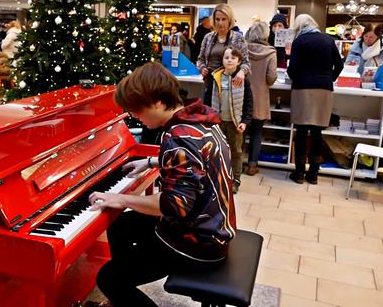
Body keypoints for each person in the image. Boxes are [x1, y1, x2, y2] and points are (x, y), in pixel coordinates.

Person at [88, 61, 235, 307]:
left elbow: (174, 206)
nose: (134, 116)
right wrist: (153, 161)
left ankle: (121, 285)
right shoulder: (198, 118)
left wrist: (121, 199)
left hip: (198, 243)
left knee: (108, 279)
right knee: (121, 225)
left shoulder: (177, 138)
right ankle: (127, 283)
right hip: (213, 227)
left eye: (137, 109)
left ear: (157, 102)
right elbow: (198, 160)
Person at [287, 14, 343, 184]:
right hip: (324, 89)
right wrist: (329, 78)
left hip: (303, 88)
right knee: (317, 131)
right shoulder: (328, 39)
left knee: (302, 130)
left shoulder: (300, 41)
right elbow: (339, 65)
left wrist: (295, 77)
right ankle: (313, 174)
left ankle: (299, 174)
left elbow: (293, 67)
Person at [211, 47, 253, 192]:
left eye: (233, 58)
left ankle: (235, 181)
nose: (229, 60)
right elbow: (207, 99)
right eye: (227, 57)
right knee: (217, 151)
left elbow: (249, 103)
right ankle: (218, 178)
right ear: (222, 59)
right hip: (218, 122)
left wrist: (245, 121)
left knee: (236, 152)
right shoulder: (216, 78)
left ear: (239, 61)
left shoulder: (243, 80)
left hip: (235, 124)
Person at [197, 3, 250, 106]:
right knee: (210, 115)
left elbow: (246, 62)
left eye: (223, 19)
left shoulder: (238, 39)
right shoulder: (208, 37)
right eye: (217, 19)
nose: (220, 23)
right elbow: (200, 59)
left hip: (231, 84)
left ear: (229, 20)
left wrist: (242, 72)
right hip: (211, 82)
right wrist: (202, 68)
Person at [245, 22, 277, 176]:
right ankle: (252, 165)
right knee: (257, 131)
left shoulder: (242, 50)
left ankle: (235, 163)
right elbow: (271, 78)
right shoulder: (271, 53)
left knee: (240, 131)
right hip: (260, 97)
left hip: (242, 96)